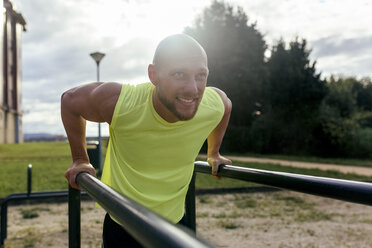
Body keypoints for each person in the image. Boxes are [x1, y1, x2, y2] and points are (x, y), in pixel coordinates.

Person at [62, 33, 232, 247]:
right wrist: (80, 158)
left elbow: (226, 106)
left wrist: (213, 153)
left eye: (201, 75)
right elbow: (70, 101)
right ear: (153, 75)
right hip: (123, 223)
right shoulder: (121, 104)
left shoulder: (211, 105)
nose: (193, 88)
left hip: (176, 225)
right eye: (179, 74)